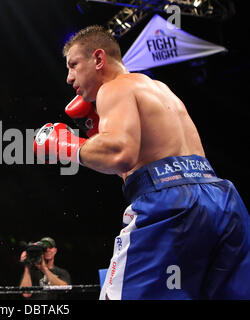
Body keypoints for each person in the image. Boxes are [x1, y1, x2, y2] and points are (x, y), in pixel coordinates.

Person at [34, 25, 250, 300]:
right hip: (221, 199)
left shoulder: (112, 88)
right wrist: (97, 136)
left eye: (73, 65)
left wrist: (64, 146)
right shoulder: (160, 89)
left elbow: (120, 154)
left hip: (172, 205)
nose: (69, 77)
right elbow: (149, 165)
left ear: (98, 59)